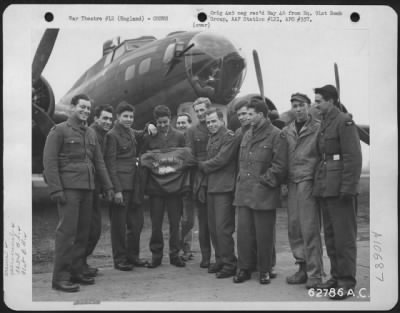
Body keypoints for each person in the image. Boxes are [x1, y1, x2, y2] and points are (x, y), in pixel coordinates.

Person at [43, 94, 114, 292]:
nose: (85, 111)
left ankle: (76, 270)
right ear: (72, 108)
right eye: (82, 107)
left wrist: (108, 186)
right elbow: (49, 162)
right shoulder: (59, 131)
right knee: (67, 234)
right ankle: (60, 277)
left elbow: (98, 163)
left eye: (88, 109)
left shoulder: (90, 133)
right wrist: (56, 189)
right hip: (69, 189)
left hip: (88, 188)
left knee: (83, 233)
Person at [312, 85, 362, 300]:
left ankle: (346, 282)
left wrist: (348, 188)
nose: (316, 104)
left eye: (319, 101)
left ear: (331, 101)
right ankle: (335, 277)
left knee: (344, 238)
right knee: (331, 237)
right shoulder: (324, 122)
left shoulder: (344, 121)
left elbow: (353, 157)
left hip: (340, 188)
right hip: (326, 187)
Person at [233, 97, 287, 285]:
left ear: (262, 115)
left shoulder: (276, 135)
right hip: (244, 192)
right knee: (244, 233)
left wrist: (264, 181)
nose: (247, 117)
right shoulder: (246, 134)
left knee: (264, 234)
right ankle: (244, 268)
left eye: (251, 114)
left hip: (263, 192)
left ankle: (264, 269)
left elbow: (280, 166)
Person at [282, 93, 324, 289]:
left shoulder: (318, 128)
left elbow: (323, 155)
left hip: (308, 181)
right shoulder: (287, 130)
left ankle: (315, 275)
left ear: (308, 107)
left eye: (301, 105)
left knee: (309, 228)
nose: (297, 109)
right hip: (292, 182)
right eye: (294, 105)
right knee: (294, 227)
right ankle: (302, 268)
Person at [103, 102, 150, 271]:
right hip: (121, 187)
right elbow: (110, 164)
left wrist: (149, 126)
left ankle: (133, 256)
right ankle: (120, 259)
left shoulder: (130, 131)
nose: (129, 119)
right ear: (118, 117)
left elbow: (142, 133)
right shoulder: (112, 135)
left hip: (134, 184)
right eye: (125, 116)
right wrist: (116, 190)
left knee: (136, 223)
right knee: (119, 226)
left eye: (131, 116)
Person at [141, 105, 187, 268]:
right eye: (159, 122)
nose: (162, 125)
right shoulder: (149, 138)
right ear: (155, 121)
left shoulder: (180, 136)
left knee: (176, 223)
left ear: (170, 119)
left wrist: (183, 185)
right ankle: (156, 255)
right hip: (156, 188)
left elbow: (184, 161)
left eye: (165, 122)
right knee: (156, 224)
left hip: (175, 188)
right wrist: (144, 187)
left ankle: (175, 254)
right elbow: (144, 161)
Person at [198, 108, 239, 278]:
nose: (211, 125)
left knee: (223, 228)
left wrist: (201, 165)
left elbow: (222, 159)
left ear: (222, 120)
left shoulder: (229, 137)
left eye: (214, 121)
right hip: (212, 187)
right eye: (208, 122)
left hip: (224, 188)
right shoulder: (212, 138)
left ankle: (230, 263)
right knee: (213, 228)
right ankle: (221, 259)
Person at [83, 104, 113, 277]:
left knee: (92, 228)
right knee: (88, 228)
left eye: (110, 119)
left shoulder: (103, 135)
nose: (108, 122)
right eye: (105, 118)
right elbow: (98, 164)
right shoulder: (90, 133)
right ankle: (77, 265)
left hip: (94, 188)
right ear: (95, 119)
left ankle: (81, 263)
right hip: (86, 186)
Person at [185, 97, 212, 269]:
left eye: (203, 110)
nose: (201, 114)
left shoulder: (217, 127)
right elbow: (190, 156)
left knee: (219, 222)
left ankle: (223, 255)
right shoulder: (192, 131)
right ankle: (206, 256)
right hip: (201, 179)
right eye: (198, 111)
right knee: (203, 222)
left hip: (218, 179)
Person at [176, 113, 195, 261]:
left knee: (188, 220)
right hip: (175, 184)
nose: (181, 125)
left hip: (190, 184)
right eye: (179, 123)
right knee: (177, 219)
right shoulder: (174, 140)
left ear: (190, 124)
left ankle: (186, 248)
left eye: (184, 123)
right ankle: (178, 249)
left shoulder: (193, 140)